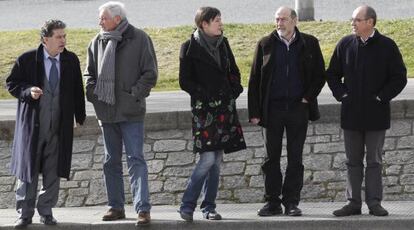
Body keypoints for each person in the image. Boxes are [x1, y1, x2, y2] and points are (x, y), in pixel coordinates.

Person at [327, 5, 407, 217]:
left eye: (357, 20)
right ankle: (353, 203)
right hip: (351, 115)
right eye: (352, 20)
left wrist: (381, 97)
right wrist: (342, 95)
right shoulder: (345, 44)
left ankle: (374, 203)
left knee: (374, 161)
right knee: (352, 161)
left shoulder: (387, 46)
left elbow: (399, 77)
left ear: (370, 22)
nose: (352, 23)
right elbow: (332, 74)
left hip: (376, 115)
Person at [6, 19, 86, 228]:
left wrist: (79, 117)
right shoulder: (27, 59)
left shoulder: (70, 60)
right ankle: (25, 213)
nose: (63, 40)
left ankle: (46, 211)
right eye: (58, 36)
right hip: (33, 127)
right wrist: (28, 91)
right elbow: (12, 84)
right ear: (45, 39)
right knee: (28, 171)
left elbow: (78, 89)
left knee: (53, 172)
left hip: (58, 127)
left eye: (64, 36)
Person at [84, 1, 158, 226]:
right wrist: (93, 93)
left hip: (131, 111)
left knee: (136, 160)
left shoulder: (140, 38)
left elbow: (150, 73)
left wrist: (133, 94)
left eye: (103, 18)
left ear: (117, 19)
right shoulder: (96, 41)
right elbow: (89, 74)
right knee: (110, 162)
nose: (100, 22)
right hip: (106, 112)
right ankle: (115, 207)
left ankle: (142, 209)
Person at [248, 6, 325, 217]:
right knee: (270, 158)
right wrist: (254, 111)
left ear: (294, 20)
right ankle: (272, 201)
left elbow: (320, 75)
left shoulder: (309, 43)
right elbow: (254, 79)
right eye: (277, 19)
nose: (279, 23)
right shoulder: (265, 44)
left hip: (298, 109)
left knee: (295, 158)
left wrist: (307, 97)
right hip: (272, 110)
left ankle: (291, 202)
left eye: (283, 19)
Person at [178, 6, 246, 222]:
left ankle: (209, 207)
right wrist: (205, 96)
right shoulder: (188, 47)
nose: (220, 23)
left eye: (220, 19)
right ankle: (187, 205)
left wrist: (233, 90)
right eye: (216, 20)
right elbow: (184, 81)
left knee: (216, 161)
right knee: (208, 158)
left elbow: (233, 71)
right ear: (203, 24)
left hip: (224, 110)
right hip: (204, 112)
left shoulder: (223, 44)